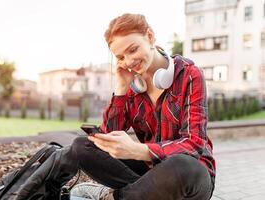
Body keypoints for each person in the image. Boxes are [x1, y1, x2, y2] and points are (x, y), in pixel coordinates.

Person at [15, 13, 215, 200]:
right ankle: (142, 193)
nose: (128, 61)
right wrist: (120, 88)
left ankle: (114, 196)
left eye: (133, 49)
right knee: (81, 145)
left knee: (183, 166)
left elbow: (194, 143)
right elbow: (107, 137)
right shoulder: (132, 84)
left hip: (191, 176)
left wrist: (138, 150)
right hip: (150, 172)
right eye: (120, 57)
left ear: (150, 37)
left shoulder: (190, 74)